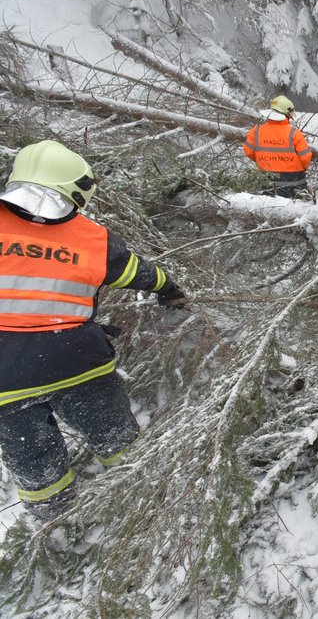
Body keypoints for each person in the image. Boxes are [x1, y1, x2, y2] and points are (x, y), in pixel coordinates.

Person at [0, 140, 187, 521]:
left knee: (34, 460)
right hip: (78, 361)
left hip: (5, 377)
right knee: (115, 436)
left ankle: (55, 520)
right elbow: (141, 273)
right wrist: (171, 290)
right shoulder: (93, 238)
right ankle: (140, 493)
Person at [243, 95, 313, 199]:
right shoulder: (294, 133)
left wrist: (264, 160)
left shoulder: (256, 131)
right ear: (287, 115)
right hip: (294, 182)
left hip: (267, 179)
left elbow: (248, 151)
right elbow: (305, 157)